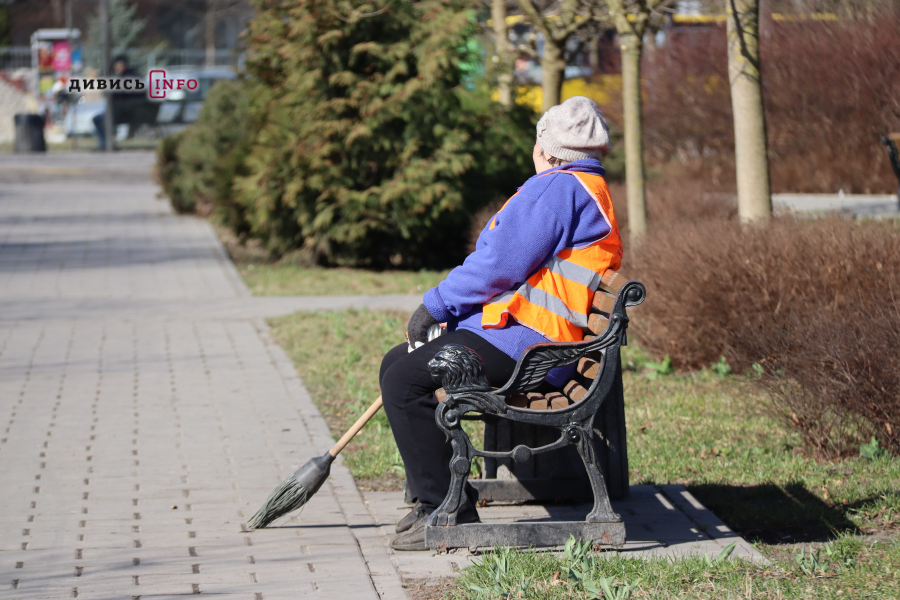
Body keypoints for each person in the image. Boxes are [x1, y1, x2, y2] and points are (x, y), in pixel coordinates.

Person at [380, 96, 623, 551]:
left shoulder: (556, 188)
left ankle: (446, 507)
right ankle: (434, 492)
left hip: (534, 350)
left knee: (404, 383)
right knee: (397, 364)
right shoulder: (584, 186)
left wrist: (436, 306)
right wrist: (459, 316)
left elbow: (498, 264)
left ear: (545, 149)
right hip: (530, 338)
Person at [92, 55, 138, 150]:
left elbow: (123, 93)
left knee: (98, 120)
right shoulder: (127, 76)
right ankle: (106, 142)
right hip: (124, 110)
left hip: (126, 112)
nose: (117, 68)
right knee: (98, 119)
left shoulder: (129, 77)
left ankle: (105, 143)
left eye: (119, 65)